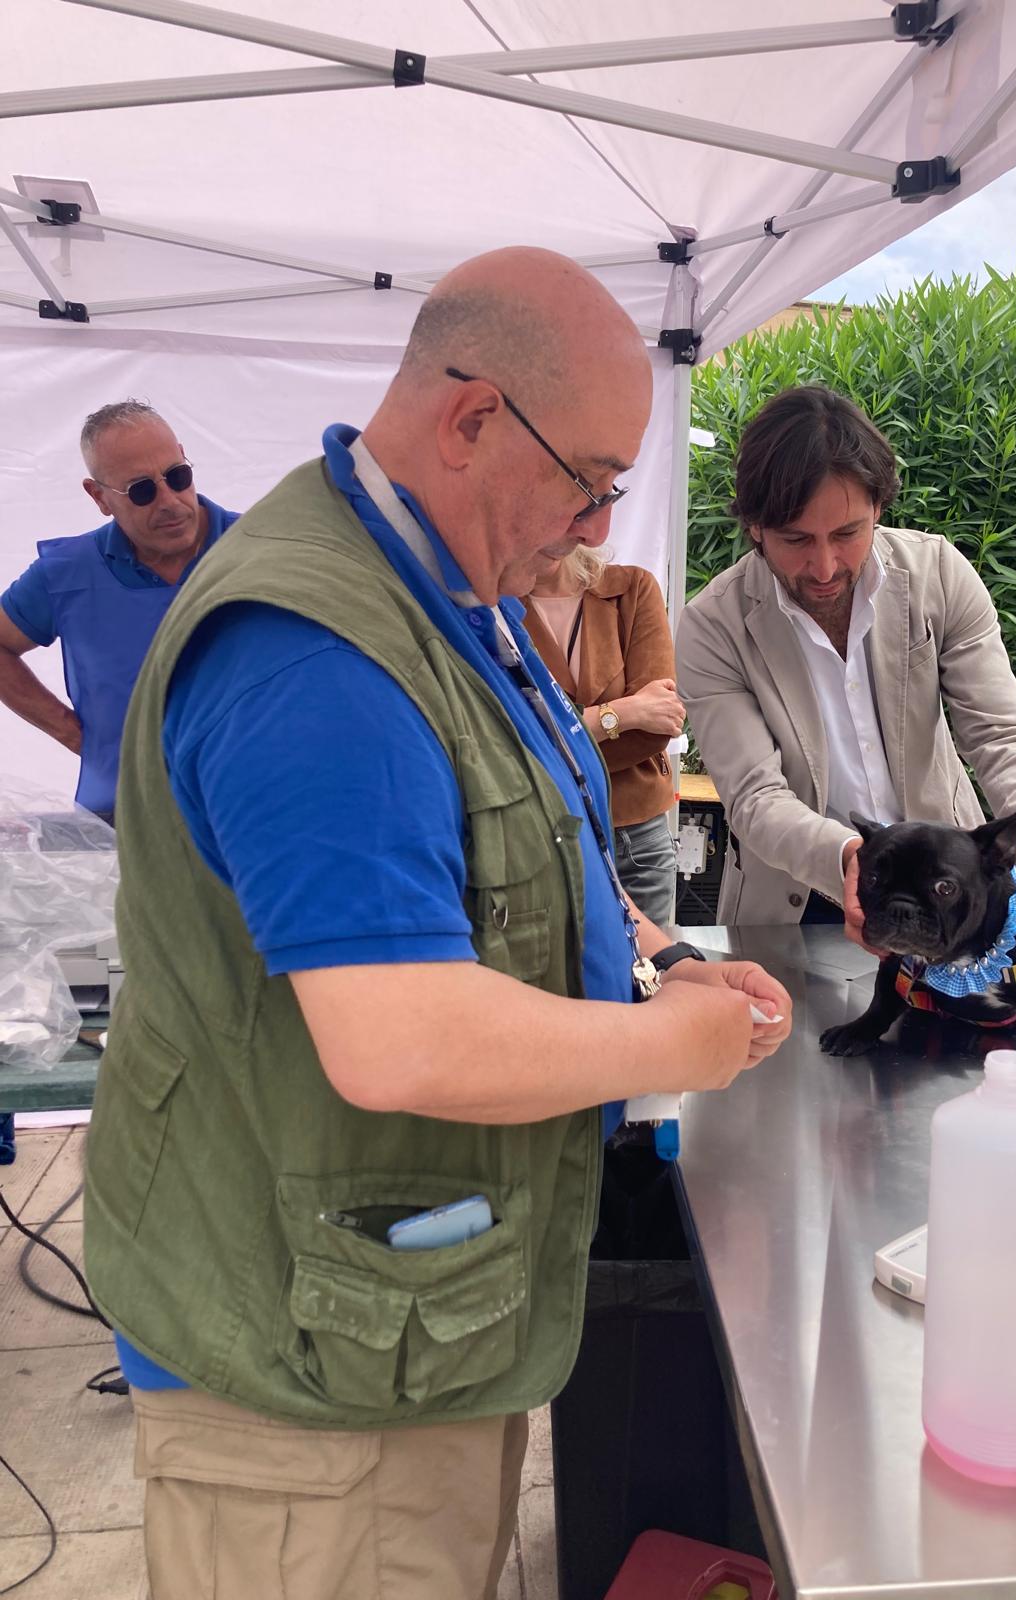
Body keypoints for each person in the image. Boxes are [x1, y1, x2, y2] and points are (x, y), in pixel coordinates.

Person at [82, 247, 792, 1600]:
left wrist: (656, 961)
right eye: (588, 480)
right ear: (473, 420)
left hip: (402, 1308)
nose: (593, 525)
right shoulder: (315, 655)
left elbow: (529, 850)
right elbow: (397, 1042)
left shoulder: (446, 594)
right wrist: (675, 1051)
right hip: (300, 1378)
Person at [676, 385, 1016, 956]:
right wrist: (851, 858)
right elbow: (755, 797)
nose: (823, 566)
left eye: (847, 534)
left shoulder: (938, 575)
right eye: (796, 540)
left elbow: (999, 732)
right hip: (795, 904)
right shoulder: (713, 626)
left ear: (878, 506)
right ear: (754, 525)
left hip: (948, 902)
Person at [0, 400, 238, 821]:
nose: (169, 500)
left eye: (177, 477)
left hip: (255, 812)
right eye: (142, 490)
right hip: (122, 819)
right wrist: (71, 732)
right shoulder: (66, 573)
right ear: (99, 497)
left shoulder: (259, 550)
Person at [521, 544, 683, 926]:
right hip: (542, 833)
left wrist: (550, 739)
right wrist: (622, 713)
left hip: (637, 838)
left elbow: (654, 732)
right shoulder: (493, 606)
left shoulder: (631, 589)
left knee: (649, 978)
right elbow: (506, 732)